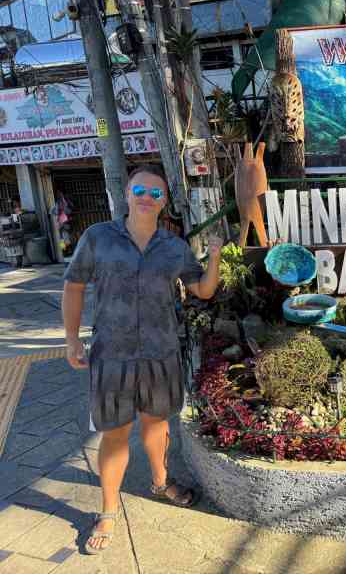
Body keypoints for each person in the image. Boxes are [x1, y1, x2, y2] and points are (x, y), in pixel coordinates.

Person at [62, 166, 222, 554]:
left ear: (164, 201)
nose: (146, 197)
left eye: (155, 193)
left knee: (156, 424)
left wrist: (215, 255)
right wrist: (71, 342)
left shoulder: (173, 246)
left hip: (161, 351)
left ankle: (160, 482)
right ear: (127, 195)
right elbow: (74, 285)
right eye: (139, 189)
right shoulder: (98, 238)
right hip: (111, 355)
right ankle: (108, 511)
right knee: (115, 433)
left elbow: (202, 288)